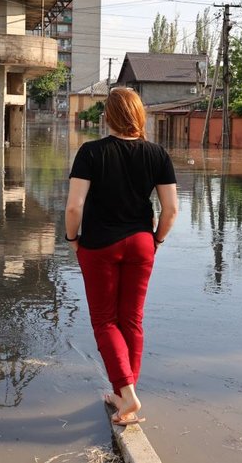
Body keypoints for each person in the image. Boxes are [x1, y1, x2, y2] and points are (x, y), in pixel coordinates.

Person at [64, 87, 179, 426]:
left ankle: (125, 393)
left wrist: (72, 238)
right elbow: (170, 210)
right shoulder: (157, 154)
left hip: (99, 244)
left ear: (107, 116)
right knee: (132, 319)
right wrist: (156, 240)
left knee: (104, 321)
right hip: (141, 242)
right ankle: (127, 391)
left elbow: (74, 206)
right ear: (139, 115)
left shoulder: (90, 152)